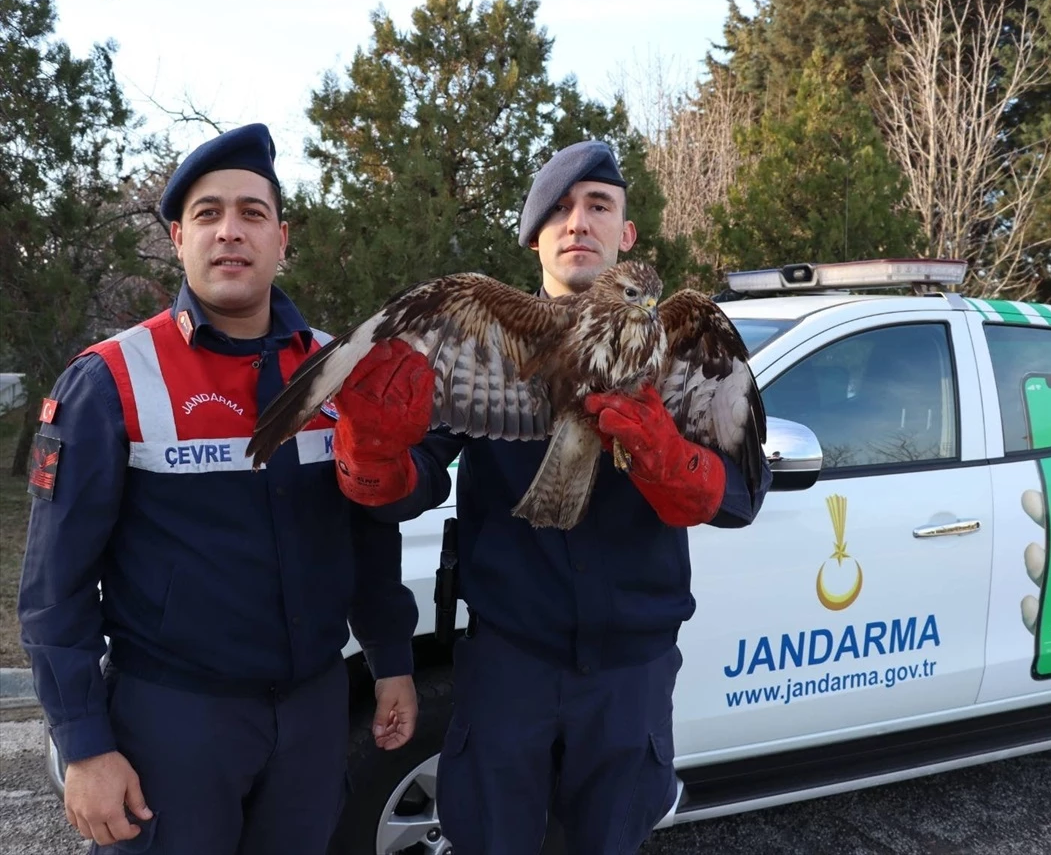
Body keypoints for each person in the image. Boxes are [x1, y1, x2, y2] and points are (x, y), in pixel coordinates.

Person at [328, 140, 773, 853]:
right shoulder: (491, 335)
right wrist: (369, 455)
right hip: (511, 667)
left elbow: (745, 492)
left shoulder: (683, 335)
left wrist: (676, 459)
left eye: (598, 207)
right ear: (535, 238)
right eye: (559, 211)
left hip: (631, 673)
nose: (578, 222)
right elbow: (407, 484)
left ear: (626, 235)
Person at [17, 123, 421, 855]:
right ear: (178, 238)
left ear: (282, 238)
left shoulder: (343, 369)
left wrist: (391, 657)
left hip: (313, 713)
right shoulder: (110, 380)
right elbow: (54, 587)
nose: (230, 232)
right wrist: (83, 745)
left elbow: (368, 531)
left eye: (252, 213)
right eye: (208, 214)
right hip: (173, 722)